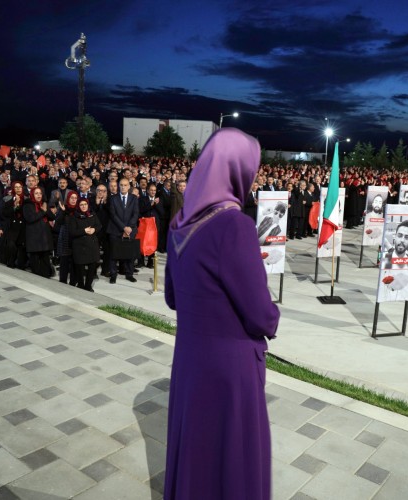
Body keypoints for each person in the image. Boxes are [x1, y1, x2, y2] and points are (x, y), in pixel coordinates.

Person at [163, 128, 280, 500]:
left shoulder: (180, 223)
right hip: (230, 369)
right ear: (236, 170)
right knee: (232, 459)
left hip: (189, 360)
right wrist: (273, 315)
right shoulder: (234, 225)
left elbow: (171, 298)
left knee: (197, 453)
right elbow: (261, 315)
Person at [107, 178, 139, 283]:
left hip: (130, 229)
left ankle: (129, 274)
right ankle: (113, 274)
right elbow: (113, 215)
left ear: (129, 186)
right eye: (121, 185)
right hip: (115, 229)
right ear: (118, 186)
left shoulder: (134, 198)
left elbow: (135, 213)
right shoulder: (112, 198)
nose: (123, 187)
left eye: (125, 185)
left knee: (130, 253)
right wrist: (123, 227)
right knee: (113, 254)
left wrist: (129, 227)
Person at [69, 198, 101, 292]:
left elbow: (99, 225)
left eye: (85, 204)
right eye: (81, 205)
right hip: (80, 246)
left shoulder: (92, 214)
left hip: (92, 245)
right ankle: (81, 285)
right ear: (78, 206)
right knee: (80, 268)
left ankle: (88, 286)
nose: (84, 206)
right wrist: (84, 231)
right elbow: (72, 232)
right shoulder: (74, 216)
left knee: (92, 268)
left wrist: (94, 230)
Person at [23, 186, 55, 278]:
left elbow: (52, 217)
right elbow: (30, 219)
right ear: (32, 194)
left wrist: (46, 210)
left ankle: (45, 277)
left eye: (40, 193)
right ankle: (37, 279)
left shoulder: (43, 204)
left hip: (45, 237)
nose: (39, 195)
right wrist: (42, 211)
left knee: (45, 259)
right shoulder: (27, 205)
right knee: (35, 261)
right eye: (36, 193)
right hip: (34, 238)